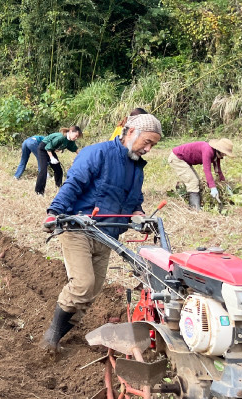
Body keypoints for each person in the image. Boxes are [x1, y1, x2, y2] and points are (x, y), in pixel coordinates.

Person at [41, 113, 163, 351]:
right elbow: (74, 183)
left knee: (93, 291)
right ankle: (51, 339)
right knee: (83, 284)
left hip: (107, 235)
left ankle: (61, 335)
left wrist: (139, 215)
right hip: (79, 229)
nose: (148, 149)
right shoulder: (97, 153)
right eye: (146, 142)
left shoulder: (137, 167)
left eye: (153, 145)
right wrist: (54, 212)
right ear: (130, 133)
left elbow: (134, 200)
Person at [14, 126, 83, 195]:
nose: (76, 138)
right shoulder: (61, 137)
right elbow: (48, 147)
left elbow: (75, 149)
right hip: (43, 149)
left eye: (77, 137)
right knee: (43, 170)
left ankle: (59, 187)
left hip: (50, 150)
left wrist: (82, 157)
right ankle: (39, 191)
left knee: (58, 169)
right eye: (76, 136)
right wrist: (52, 158)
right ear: (70, 132)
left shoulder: (70, 140)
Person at [168, 139, 234, 209]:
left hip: (185, 160)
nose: (225, 155)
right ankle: (195, 209)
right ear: (219, 149)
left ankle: (195, 202)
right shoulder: (208, 150)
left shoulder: (216, 154)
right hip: (177, 158)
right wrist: (213, 187)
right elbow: (207, 170)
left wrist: (224, 184)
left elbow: (218, 170)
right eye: (224, 153)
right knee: (193, 181)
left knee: (197, 181)